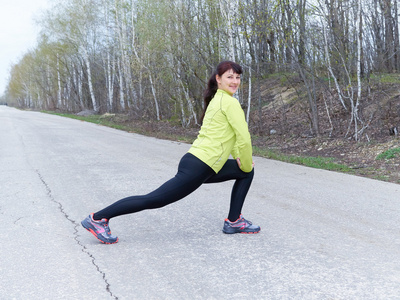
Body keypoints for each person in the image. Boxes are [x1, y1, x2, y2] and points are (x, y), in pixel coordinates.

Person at [81, 61, 260, 244]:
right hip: (201, 166)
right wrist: (245, 162)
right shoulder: (230, 103)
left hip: (201, 163)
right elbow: (243, 137)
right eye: (230, 77)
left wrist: (241, 159)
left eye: (237, 77)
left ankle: (234, 221)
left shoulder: (218, 100)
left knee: (246, 172)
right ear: (218, 79)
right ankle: (98, 218)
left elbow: (235, 137)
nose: (235, 81)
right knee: (155, 199)